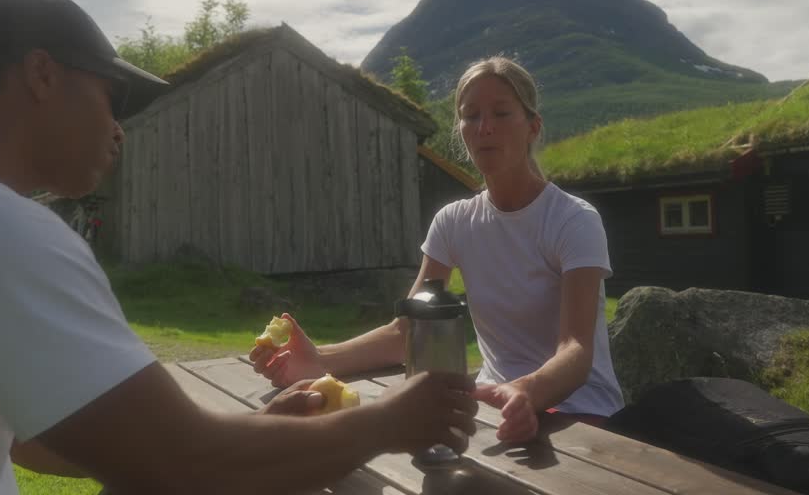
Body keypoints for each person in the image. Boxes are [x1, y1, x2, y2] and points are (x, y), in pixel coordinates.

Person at [0, 0, 477, 495]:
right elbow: (183, 466)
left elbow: (28, 434)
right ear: (41, 75)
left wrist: (242, 438)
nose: (118, 129)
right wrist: (389, 421)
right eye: (111, 97)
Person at [252, 56, 624, 443]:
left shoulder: (573, 220)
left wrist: (525, 392)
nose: (484, 128)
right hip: (492, 408)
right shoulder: (453, 222)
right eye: (470, 116)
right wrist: (318, 360)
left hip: (582, 412)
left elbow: (576, 350)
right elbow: (408, 332)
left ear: (532, 127)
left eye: (500, 113)